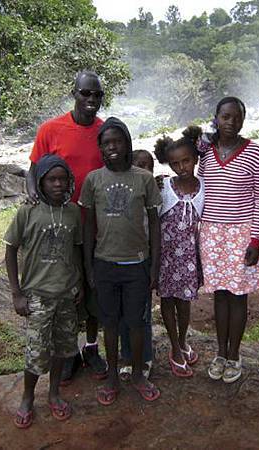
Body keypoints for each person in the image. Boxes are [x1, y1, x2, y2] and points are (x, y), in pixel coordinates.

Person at [26, 70, 107, 383]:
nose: (91, 100)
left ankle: (91, 346)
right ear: (74, 93)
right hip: (60, 226)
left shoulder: (104, 131)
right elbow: (33, 169)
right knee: (65, 289)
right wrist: (34, 197)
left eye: (96, 95)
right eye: (85, 93)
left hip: (96, 225)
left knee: (92, 288)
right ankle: (68, 351)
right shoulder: (51, 128)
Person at [79, 117, 162, 405]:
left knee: (137, 323)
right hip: (104, 263)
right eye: (106, 143)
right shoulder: (93, 180)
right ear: (100, 148)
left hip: (137, 264)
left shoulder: (144, 179)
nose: (112, 147)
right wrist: (89, 266)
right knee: (111, 323)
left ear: (128, 143)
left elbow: (154, 223)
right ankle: (113, 376)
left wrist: (154, 265)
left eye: (118, 141)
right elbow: (89, 226)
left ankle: (138, 373)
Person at [5, 155, 83, 429]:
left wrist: (80, 285)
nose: (58, 184)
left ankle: (54, 394)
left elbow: (76, 249)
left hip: (66, 293)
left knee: (63, 348)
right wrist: (16, 293)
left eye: (63, 179)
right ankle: (27, 397)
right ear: (40, 182)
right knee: (36, 351)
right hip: (37, 294)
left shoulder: (73, 212)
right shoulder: (28, 211)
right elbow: (11, 250)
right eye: (52, 179)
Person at [198, 97, 259, 384]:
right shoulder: (204, 152)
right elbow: (199, 189)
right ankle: (220, 352)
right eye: (225, 117)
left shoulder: (254, 153)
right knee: (220, 295)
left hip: (241, 234)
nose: (231, 122)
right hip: (211, 233)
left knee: (238, 296)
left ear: (243, 120)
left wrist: (256, 241)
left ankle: (234, 355)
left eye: (236, 118)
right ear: (216, 118)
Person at [154, 127, 205, 377]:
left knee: (184, 303)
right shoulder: (163, 185)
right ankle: (174, 347)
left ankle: (183, 340)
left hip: (187, 258)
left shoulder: (204, 187)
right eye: (175, 163)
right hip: (165, 256)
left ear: (195, 159)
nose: (182, 167)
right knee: (167, 300)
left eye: (186, 160)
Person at [118, 149, 155, 381]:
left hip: (143, 262)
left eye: (148, 166)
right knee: (122, 313)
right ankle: (127, 356)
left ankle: (145, 357)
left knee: (142, 315)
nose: (143, 170)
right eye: (138, 165)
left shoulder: (153, 195)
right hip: (119, 261)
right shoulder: (123, 194)